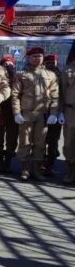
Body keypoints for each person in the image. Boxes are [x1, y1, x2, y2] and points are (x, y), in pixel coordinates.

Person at [12, 47, 60, 181]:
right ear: (29, 58)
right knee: (25, 142)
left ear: (43, 57)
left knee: (40, 143)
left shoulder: (51, 75)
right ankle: (25, 170)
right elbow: (15, 95)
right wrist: (16, 112)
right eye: (34, 56)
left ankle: (37, 170)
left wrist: (54, 113)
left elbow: (55, 96)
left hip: (43, 114)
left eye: (39, 56)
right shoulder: (22, 75)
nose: (37, 58)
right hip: (26, 113)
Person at [0, 55, 18, 173]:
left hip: (13, 112)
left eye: (10, 65)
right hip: (0, 110)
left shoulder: (17, 77)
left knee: (12, 138)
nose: (8, 66)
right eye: (5, 64)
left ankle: (8, 161)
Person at [42, 54, 62, 176]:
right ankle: (41, 164)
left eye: (52, 61)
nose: (50, 64)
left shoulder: (62, 75)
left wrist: (61, 112)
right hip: (42, 111)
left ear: (56, 62)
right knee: (41, 140)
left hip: (56, 111)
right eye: (48, 62)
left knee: (53, 140)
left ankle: (50, 165)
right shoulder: (42, 75)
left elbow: (64, 95)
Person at [60, 55, 75, 184]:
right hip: (71, 110)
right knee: (69, 142)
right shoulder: (67, 70)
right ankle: (70, 170)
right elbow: (61, 92)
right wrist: (60, 112)